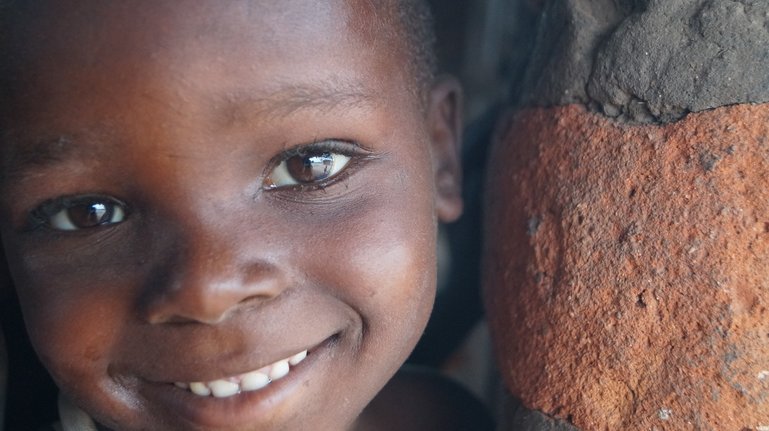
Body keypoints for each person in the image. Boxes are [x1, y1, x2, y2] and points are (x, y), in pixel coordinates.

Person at [0, 1, 492, 429]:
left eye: (309, 166)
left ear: (439, 156)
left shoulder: (449, 416)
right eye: (90, 214)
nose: (208, 292)